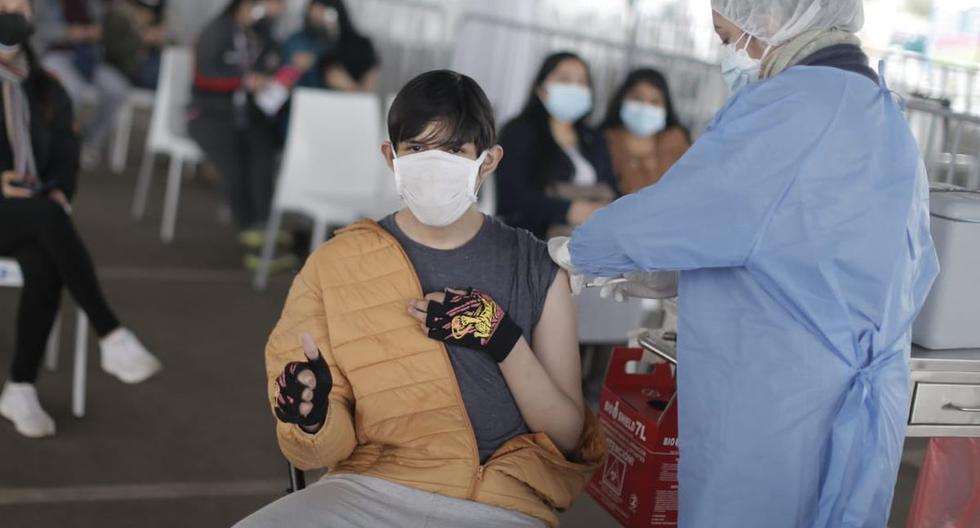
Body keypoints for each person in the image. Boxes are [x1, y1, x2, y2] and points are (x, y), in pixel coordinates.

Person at [550, 1, 939, 526]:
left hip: (777, 405)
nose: (729, 52)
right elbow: (804, 244)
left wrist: (578, 251)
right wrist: (671, 272)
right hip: (855, 407)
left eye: (728, 35)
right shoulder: (880, 111)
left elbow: (688, 207)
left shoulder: (793, 104)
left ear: (773, 21)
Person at [238, 70, 604, 528]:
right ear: (391, 157)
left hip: (498, 499)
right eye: (416, 148)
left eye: (453, 150)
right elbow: (318, 452)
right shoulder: (336, 265)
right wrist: (311, 418)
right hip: (367, 487)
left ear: (487, 162)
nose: (433, 163)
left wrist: (502, 339)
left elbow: (567, 436)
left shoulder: (536, 267)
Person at [0, 0, 162, 439]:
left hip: (30, 213)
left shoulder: (45, 84)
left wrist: (58, 187)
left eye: (22, 7)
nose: (14, 14)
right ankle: (110, 332)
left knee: (44, 261)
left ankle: (20, 385)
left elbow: (68, 152)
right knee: (49, 223)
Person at [187, 0, 294, 269]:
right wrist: (245, 81)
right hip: (210, 115)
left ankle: (263, 224)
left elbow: (273, 63)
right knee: (235, 164)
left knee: (263, 153)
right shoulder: (217, 31)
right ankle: (248, 230)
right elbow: (205, 77)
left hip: (245, 117)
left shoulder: (258, 34)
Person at [496, 52, 618, 240]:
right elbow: (510, 196)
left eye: (582, 81)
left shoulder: (594, 138)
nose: (574, 87)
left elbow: (611, 188)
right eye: (564, 79)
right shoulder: (519, 132)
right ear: (541, 89)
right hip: (535, 241)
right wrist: (569, 210)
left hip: (592, 242)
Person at [32, 0, 130, 168]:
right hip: (55, 54)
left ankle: (89, 141)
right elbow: (36, 31)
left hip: (87, 57)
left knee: (117, 90)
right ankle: (61, 144)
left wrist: (93, 32)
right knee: (71, 92)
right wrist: (67, 33)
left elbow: (101, 26)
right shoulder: (43, 3)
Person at [602, 68, 691, 193]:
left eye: (655, 102)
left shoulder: (678, 145)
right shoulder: (601, 142)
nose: (645, 107)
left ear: (665, 108)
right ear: (621, 99)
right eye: (637, 98)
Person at [280, 0, 377, 91]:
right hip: (303, 100)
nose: (321, 18)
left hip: (340, 103)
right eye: (315, 15)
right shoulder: (296, 42)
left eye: (327, 14)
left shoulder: (359, 45)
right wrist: (293, 70)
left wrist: (348, 86)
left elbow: (368, 92)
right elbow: (279, 88)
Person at [103, 0, 167, 90]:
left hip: (148, 61)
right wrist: (142, 39)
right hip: (130, 68)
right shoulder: (117, 16)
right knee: (162, 76)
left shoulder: (146, 13)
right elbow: (114, 50)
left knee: (170, 68)